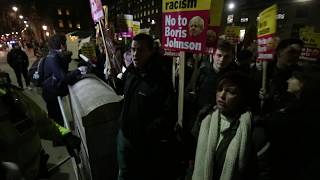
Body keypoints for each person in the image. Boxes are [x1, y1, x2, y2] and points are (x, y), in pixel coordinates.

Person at [116, 33, 177, 180]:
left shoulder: (160, 78)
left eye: (140, 50)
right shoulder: (131, 71)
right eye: (132, 49)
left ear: (151, 51)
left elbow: (167, 114)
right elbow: (121, 91)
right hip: (124, 135)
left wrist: (145, 134)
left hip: (143, 143)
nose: (135, 54)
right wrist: (113, 77)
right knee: (123, 173)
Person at [192, 71, 271, 180]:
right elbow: (193, 161)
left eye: (231, 92)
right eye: (220, 89)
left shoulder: (254, 131)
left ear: (242, 97)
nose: (222, 95)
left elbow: (263, 173)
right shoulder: (205, 120)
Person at [261, 67, 320, 180]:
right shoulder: (292, 102)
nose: (288, 81)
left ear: (303, 83)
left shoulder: (307, 112)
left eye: (293, 78)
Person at [41, 34, 87, 126]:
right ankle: (61, 138)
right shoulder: (53, 58)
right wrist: (78, 71)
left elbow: (61, 73)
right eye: (65, 43)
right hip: (51, 92)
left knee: (57, 115)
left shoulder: (54, 55)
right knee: (56, 118)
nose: (67, 45)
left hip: (51, 89)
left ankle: (62, 134)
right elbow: (63, 77)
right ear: (61, 45)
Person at [262, 38, 304, 113]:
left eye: (299, 53)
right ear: (279, 52)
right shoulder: (265, 71)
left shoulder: (298, 76)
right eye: (292, 52)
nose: (296, 56)